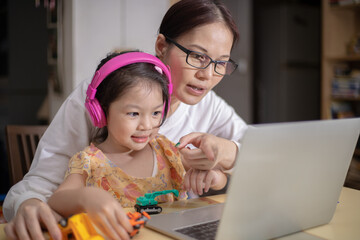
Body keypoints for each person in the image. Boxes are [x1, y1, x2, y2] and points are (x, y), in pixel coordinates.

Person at [4, 0, 247, 239]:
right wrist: (29, 203)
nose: (206, 75)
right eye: (197, 56)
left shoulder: (210, 105)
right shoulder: (101, 93)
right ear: (162, 46)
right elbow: (39, 184)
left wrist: (229, 153)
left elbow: (266, 156)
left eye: (221, 63)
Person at [46, 51, 228, 239]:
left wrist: (213, 177)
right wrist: (85, 197)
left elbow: (215, 176)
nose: (147, 126)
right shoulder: (88, 162)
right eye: (133, 114)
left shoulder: (166, 150)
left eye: (156, 113)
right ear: (101, 111)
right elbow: (57, 199)